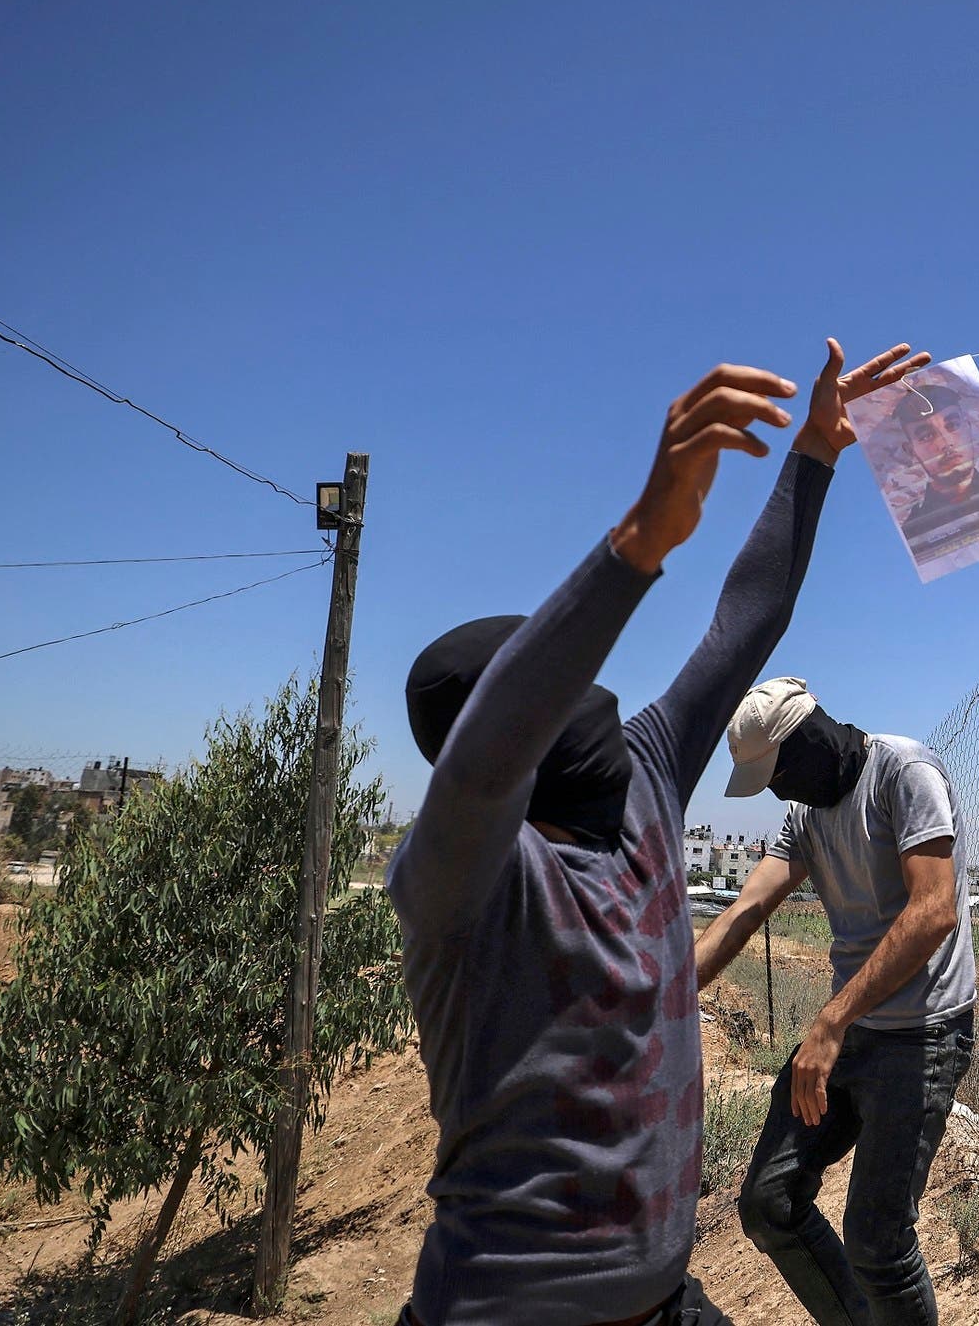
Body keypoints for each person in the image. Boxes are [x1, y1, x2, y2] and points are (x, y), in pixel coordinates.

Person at [387, 340, 927, 1326]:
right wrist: (636, 542)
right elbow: (484, 756)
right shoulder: (460, 871)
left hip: (664, 1301)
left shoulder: (640, 779)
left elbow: (741, 626)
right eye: (554, 675)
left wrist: (813, 456)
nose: (596, 687)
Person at [693, 677, 976, 1326]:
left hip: (922, 1034)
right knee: (770, 1200)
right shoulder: (805, 815)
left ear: (810, 738)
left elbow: (934, 910)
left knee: (878, 1243)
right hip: (853, 1031)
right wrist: (666, 998)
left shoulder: (904, 771)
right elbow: (746, 908)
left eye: (778, 771)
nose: (776, 789)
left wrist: (830, 1020)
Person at [889, 375, 979, 550]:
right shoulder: (915, 531)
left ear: (968, 426)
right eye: (926, 436)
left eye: (952, 425)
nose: (945, 443)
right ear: (911, 450)